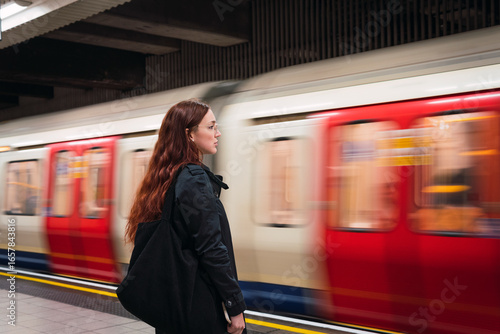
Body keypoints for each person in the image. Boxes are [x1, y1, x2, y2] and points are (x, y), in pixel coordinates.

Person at [125, 99, 247, 334]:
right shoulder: (193, 178)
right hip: (199, 307)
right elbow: (211, 247)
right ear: (189, 134)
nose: (218, 133)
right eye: (211, 127)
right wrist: (234, 305)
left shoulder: (166, 178)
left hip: (175, 306)